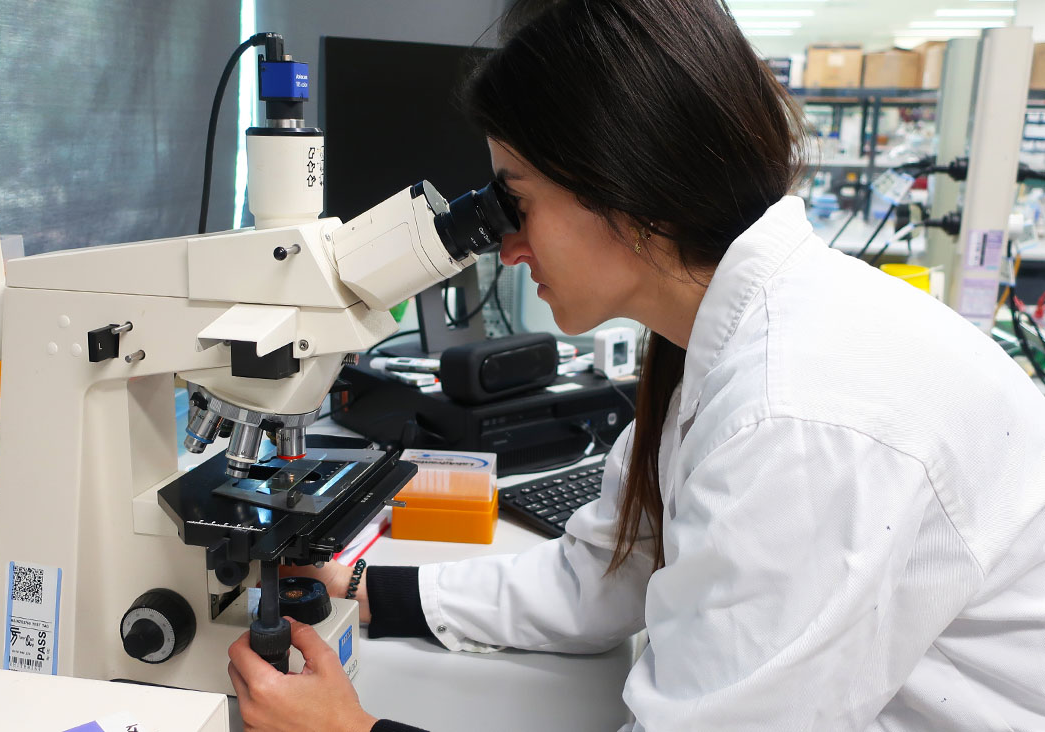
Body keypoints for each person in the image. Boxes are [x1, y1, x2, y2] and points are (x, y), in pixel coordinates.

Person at [226, 0, 1045, 729]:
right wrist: (364, 588)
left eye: (519, 198)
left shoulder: (796, 415)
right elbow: (605, 575)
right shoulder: (726, 333)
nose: (507, 246)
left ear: (629, 184)